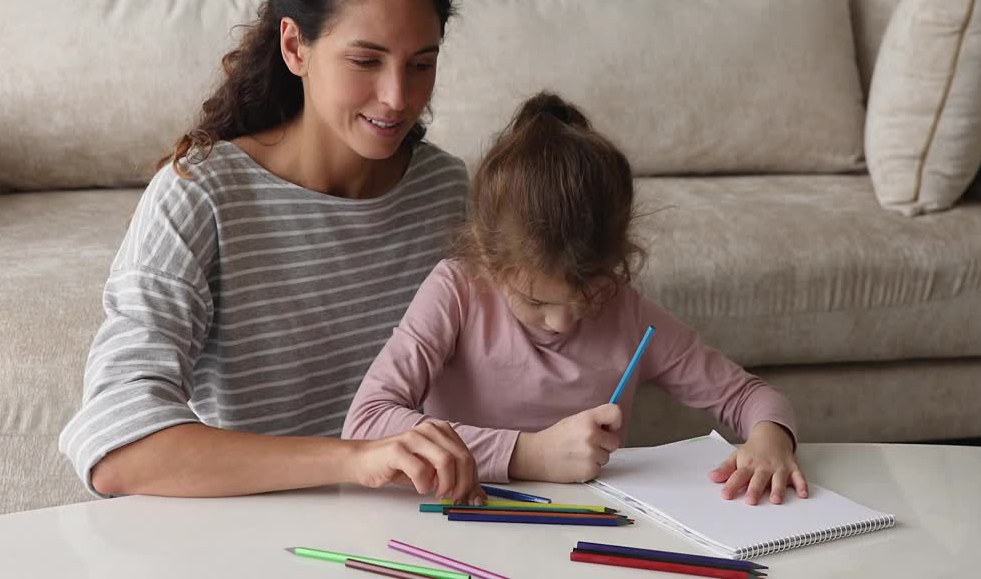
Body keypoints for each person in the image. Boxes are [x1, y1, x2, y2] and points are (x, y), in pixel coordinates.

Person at [59, 0, 485, 506]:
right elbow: (115, 445)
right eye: (366, 60)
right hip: (254, 539)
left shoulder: (446, 190)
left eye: (421, 64)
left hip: (419, 528)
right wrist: (355, 460)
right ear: (294, 47)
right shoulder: (200, 194)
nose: (397, 97)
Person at [343, 92, 809, 506]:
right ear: (486, 257)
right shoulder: (458, 291)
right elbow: (364, 426)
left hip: (590, 526)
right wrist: (530, 454)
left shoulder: (628, 314)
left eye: (587, 295)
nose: (563, 322)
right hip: (462, 514)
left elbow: (749, 396)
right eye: (534, 301)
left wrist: (771, 437)